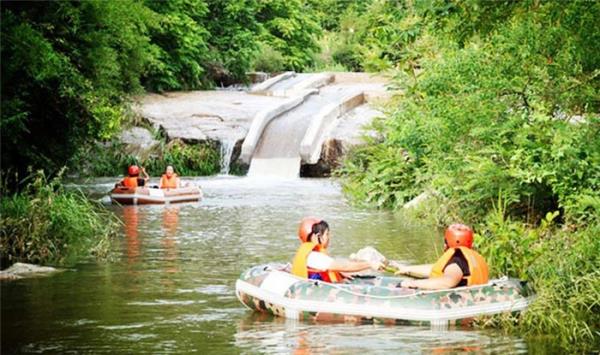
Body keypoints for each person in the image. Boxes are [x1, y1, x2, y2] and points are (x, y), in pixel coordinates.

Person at [395, 223, 489, 290]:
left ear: (447, 243)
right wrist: (407, 269)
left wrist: (413, 283)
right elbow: (434, 269)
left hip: (456, 305)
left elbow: (448, 281)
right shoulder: (465, 258)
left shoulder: (457, 261)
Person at [291, 217, 383, 283]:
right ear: (318, 236)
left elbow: (333, 268)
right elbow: (344, 266)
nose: (329, 238)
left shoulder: (309, 253)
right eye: (327, 234)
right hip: (314, 299)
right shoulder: (314, 257)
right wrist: (370, 264)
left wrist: (340, 274)